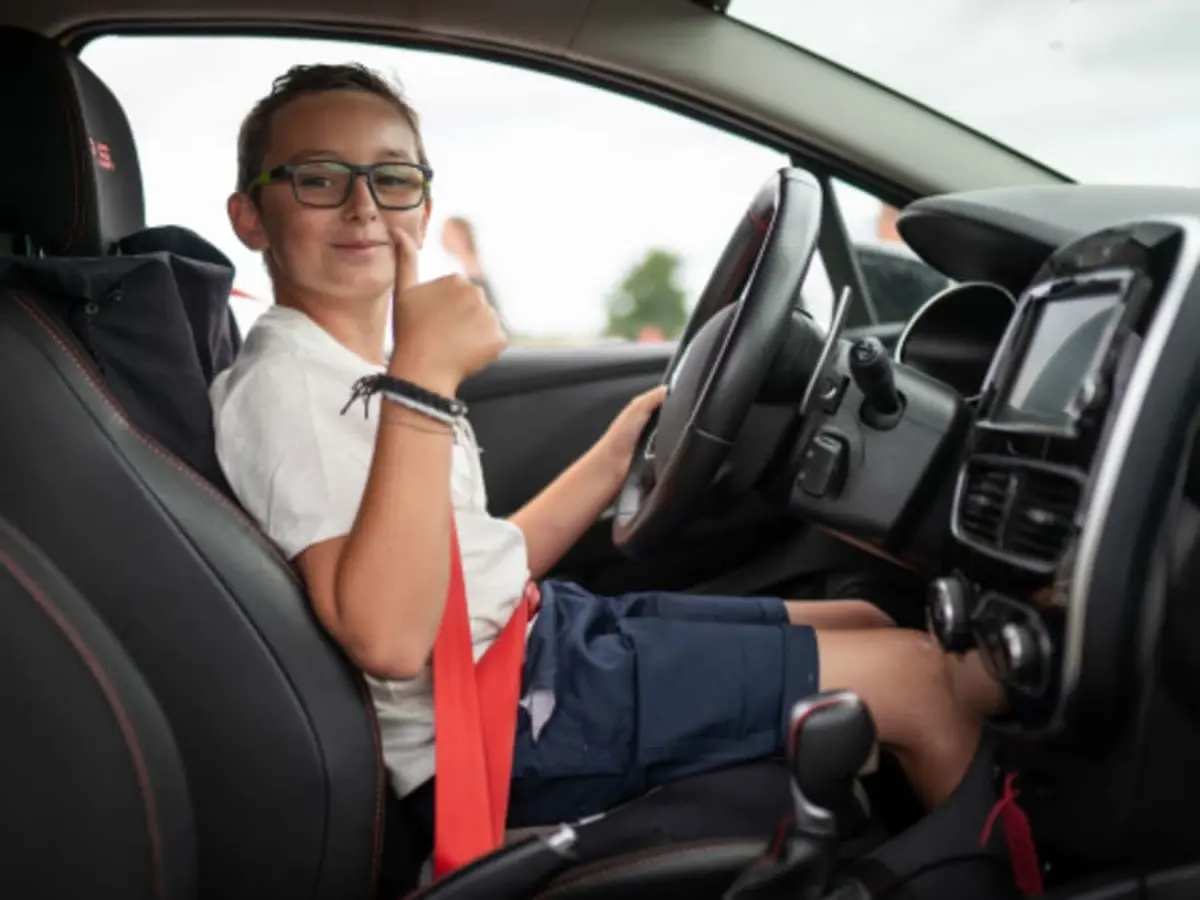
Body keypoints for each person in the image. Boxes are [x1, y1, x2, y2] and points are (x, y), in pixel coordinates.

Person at [211, 63, 1005, 832]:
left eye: (392, 179)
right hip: (501, 724)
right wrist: (425, 376)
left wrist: (614, 455)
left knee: (871, 617)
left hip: (533, 652)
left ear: (422, 206)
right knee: (922, 682)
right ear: (251, 217)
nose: (363, 206)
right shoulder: (290, 386)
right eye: (317, 178)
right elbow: (390, 638)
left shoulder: (349, 372)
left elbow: (470, 571)